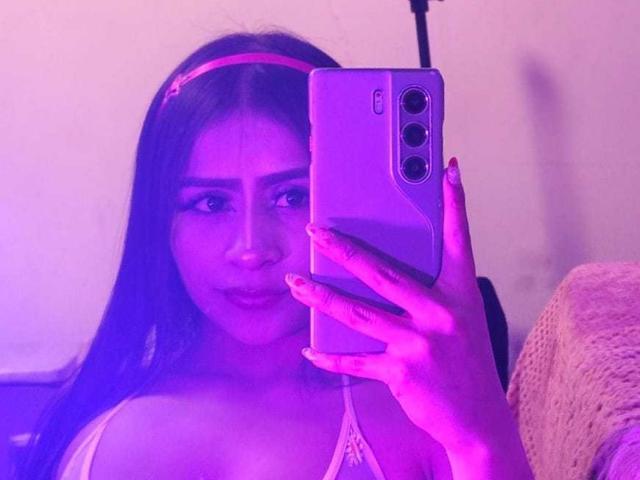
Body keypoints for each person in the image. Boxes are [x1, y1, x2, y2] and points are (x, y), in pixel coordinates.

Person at [20, 30, 533, 479]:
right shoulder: (102, 427)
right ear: (160, 224)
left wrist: (481, 431)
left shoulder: (417, 416)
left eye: (291, 196)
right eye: (210, 203)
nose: (251, 250)